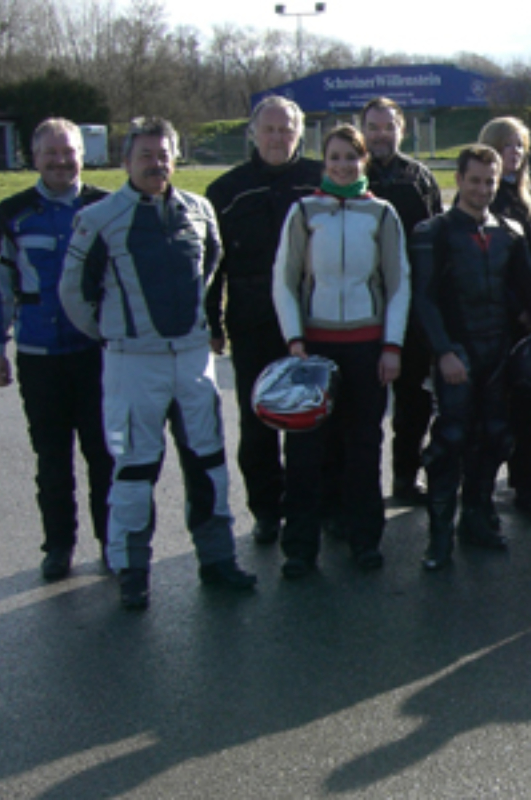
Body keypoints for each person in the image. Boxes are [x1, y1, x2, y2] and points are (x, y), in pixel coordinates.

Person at [60, 116, 258, 609]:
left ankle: (216, 560)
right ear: (126, 160)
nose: (157, 163)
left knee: (209, 462)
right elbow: (74, 296)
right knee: (133, 470)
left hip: (192, 362)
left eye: (164, 153)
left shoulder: (199, 210)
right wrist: (118, 334)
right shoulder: (99, 218)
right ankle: (132, 571)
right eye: (146, 154)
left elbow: (210, 269)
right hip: (133, 365)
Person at [272, 124, 411, 578]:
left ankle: (364, 539)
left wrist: (391, 346)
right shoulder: (304, 210)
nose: (343, 165)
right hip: (314, 350)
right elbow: (285, 281)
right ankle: (299, 548)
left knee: (363, 447)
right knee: (306, 453)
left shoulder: (382, 214)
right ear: (323, 161)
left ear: (363, 161)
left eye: (351, 158)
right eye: (334, 157)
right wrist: (296, 341)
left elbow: (398, 283)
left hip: (367, 348)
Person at [411, 145, 531, 569]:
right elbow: (424, 300)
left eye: (489, 181)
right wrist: (443, 352)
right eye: (474, 180)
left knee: (496, 435)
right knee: (450, 441)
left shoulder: (509, 231)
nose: (481, 189)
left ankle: (476, 519)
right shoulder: (433, 232)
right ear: (458, 180)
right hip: (456, 352)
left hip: (498, 351)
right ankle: (438, 539)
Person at [0, 118, 113, 581]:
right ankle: (58, 546)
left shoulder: (107, 207)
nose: (61, 161)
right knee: (52, 458)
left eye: (69, 152)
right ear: (34, 157)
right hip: (40, 356)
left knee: (105, 453)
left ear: (83, 155)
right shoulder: (10, 214)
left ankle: (112, 543)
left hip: (96, 353)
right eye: (51, 153)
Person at [205, 95, 324, 545]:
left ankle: (307, 508)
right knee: (257, 421)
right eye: (269, 129)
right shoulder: (226, 190)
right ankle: (266, 510)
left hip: (310, 317)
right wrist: (213, 320)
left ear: (299, 133)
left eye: (286, 129)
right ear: (253, 133)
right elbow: (212, 264)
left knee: (310, 416)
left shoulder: (319, 179)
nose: (277, 138)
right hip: (252, 317)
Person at [361, 96, 443, 505]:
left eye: (387, 127)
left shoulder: (420, 178)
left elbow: (438, 239)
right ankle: (355, 488)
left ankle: (406, 477)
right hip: (360, 305)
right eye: (373, 127)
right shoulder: (349, 173)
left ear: (402, 130)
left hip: (411, 304)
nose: (380, 135)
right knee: (361, 406)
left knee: (414, 401)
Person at [478, 115, 531, 518]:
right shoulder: (485, 199)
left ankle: (526, 485)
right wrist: (519, 309)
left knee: (530, 410)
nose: (515, 153)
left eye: (520, 145)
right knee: (494, 413)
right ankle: (481, 494)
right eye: (506, 145)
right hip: (498, 319)